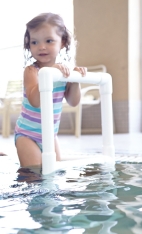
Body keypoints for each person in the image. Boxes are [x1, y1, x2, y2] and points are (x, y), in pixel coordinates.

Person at [15, 13, 87, 167]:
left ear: (63, 42)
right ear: (29, 45)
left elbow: (73, 101)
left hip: (50, 134)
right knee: (33, 173)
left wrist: (75, 80)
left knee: (53, 172)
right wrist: (48, 73)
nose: (41, 47)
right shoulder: (31, 71)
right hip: (27, 135)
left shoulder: (63, 72)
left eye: (49, 41)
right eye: (34, 42)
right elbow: (35, 101)